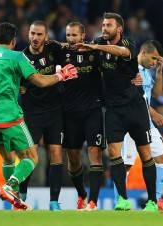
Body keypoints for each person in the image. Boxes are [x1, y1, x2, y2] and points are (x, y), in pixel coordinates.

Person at [0, 22, 78, 210]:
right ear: (13, 41)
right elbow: (40, 81)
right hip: (8, 116)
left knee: (8, 159)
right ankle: (9, 186)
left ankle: (15, 200)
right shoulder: (16, 57)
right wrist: (61, 76)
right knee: (32, 157)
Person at [76, 12, 157, 211]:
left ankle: (153, 201)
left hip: (134, 106)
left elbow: (120, 52)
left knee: (145, 153)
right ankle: (122, 199)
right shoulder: (97, 43)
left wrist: (96, 46)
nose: (104, 28)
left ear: (118, 29)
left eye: (109, 25)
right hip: (113, 108)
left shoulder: (130, 43)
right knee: (113, 153)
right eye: (103, 25)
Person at [121, 40, 163, 211]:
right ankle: (120, 200)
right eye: (153, 59)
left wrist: (159, 73)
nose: (154, 62)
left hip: (146, 122)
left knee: (162, 156)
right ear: (143, 53)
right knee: (126, 164)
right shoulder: (130, 68)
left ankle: (157, 200)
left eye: (157, 60)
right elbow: (134, 97)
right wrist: (153, 112)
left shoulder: (148, 71)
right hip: (129, 120)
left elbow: (157, 94)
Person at [18, 21, 66, 211]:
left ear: (46, 37)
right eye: (32, 34)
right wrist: (19, 87)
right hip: (32, 112)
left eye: (39, 34)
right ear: (28, 34)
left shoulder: (54, 48)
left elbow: (68, 52)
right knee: (30, 156)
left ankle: (54, 201)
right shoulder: (21, 57)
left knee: (56, 154)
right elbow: (14, 81)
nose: (35, 38)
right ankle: (21, 197)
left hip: (54, 111)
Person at [61, 22, 104, 210]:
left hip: (92, 110)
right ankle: (82, 194)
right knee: (73, 158)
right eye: (68, 36)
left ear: (83, 35)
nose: (70, 39)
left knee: (95, 153)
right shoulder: (61, 53)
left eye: (74, 35)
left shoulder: (94, 52)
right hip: (69, 113)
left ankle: (93, 201)